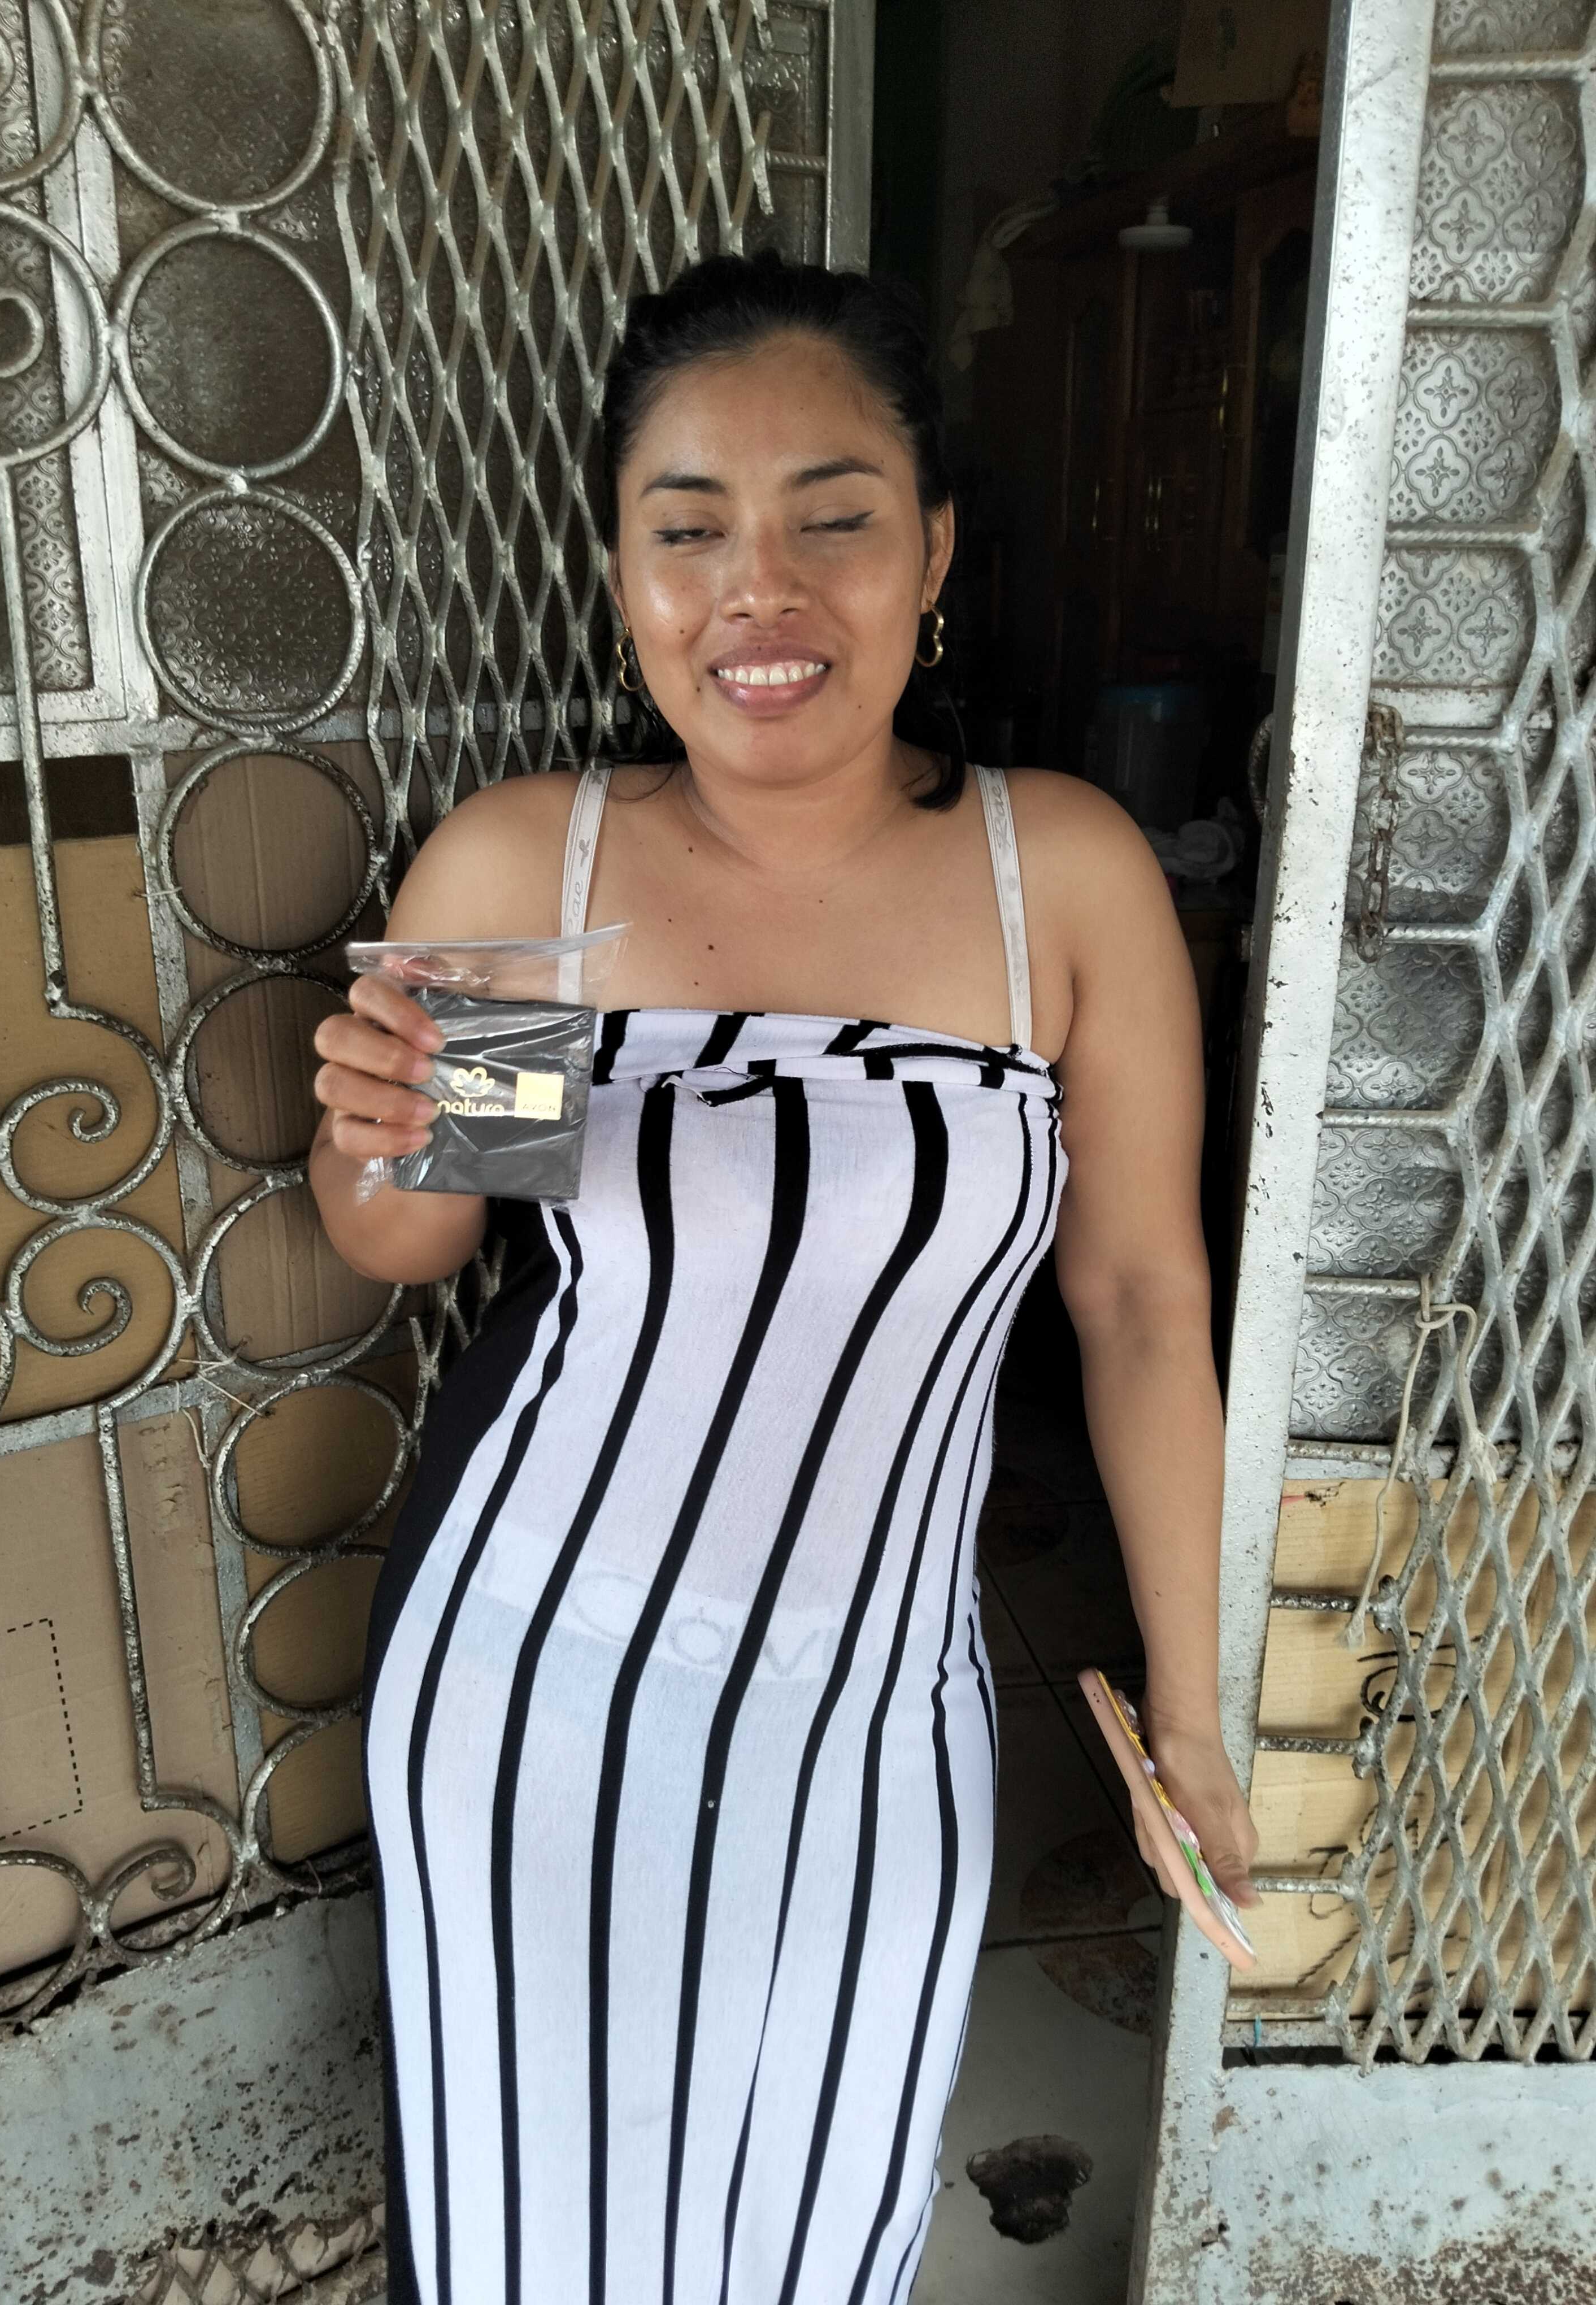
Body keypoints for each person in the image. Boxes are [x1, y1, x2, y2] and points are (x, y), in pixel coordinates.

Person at [308, 249, 1259, 2305]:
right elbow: (410, 1242)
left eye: (833, 520)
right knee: (537, 2233)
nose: (761, 590)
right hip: (539, 1681)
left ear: (933, 553)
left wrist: (1193, 1718)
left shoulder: (1058, 876)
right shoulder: (537, 872)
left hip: (880, 1710)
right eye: (691, 531)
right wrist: (374, 1128)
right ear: (623, 575)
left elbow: (1140, 1309)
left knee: (817, 2217)